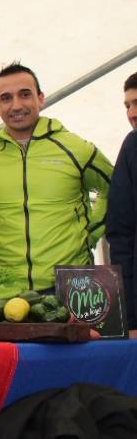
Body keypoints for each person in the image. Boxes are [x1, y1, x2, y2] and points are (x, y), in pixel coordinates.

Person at [0, 63, 112, 299]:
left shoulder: (75, 148)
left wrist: (90, 231)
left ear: (40, 98)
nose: (16, 105)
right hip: (6, 290)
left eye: (25, 94)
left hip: (72, 283)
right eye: (6, 98)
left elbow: (115, 189)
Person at [105, 71, 137, 332]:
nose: (132, 113)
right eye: (127, 105)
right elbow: (120, 232)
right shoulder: (131, 148)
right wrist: (131, 314)